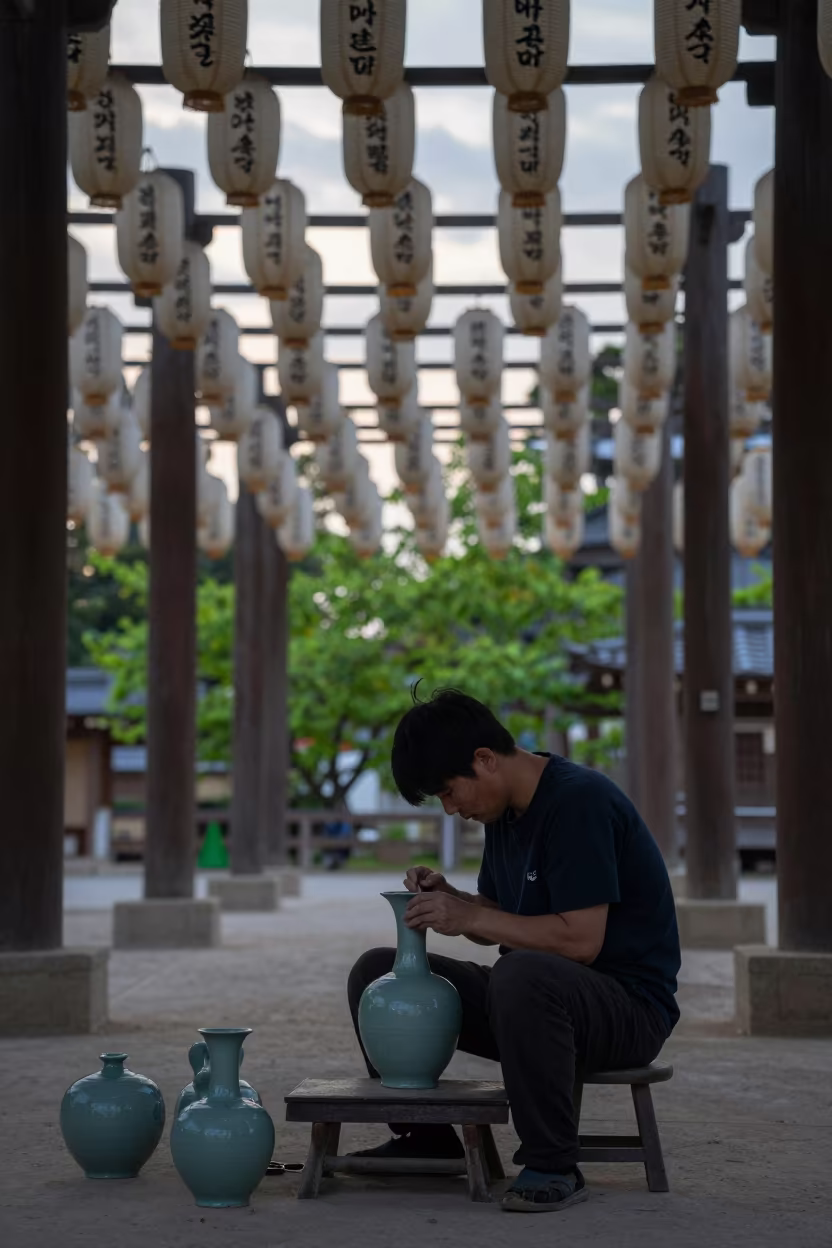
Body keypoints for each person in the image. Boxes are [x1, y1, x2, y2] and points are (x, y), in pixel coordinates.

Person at [348, 688, 680, 1214]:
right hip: (533, 1004)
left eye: (451, 792)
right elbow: (501, 919)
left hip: (629, 1008)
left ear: (484, 759)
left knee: (522, 974)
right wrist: (454, 901)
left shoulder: (578, 802)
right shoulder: (503, 815)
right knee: (376, 970)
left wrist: (475, 916)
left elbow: (580, 942)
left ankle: (553, 1163)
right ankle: (425, 1137)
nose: (453, 810)